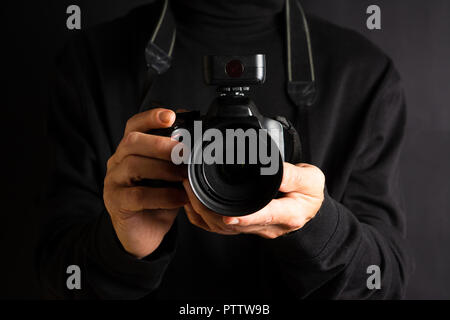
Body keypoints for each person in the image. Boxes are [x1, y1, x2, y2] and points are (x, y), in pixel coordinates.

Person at [38, 0, 412, 299]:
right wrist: (122, 247)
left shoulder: (362, 74)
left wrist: (315, 226)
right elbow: (58, 276)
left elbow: (384, 282)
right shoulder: (90, 63)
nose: (230, 159)